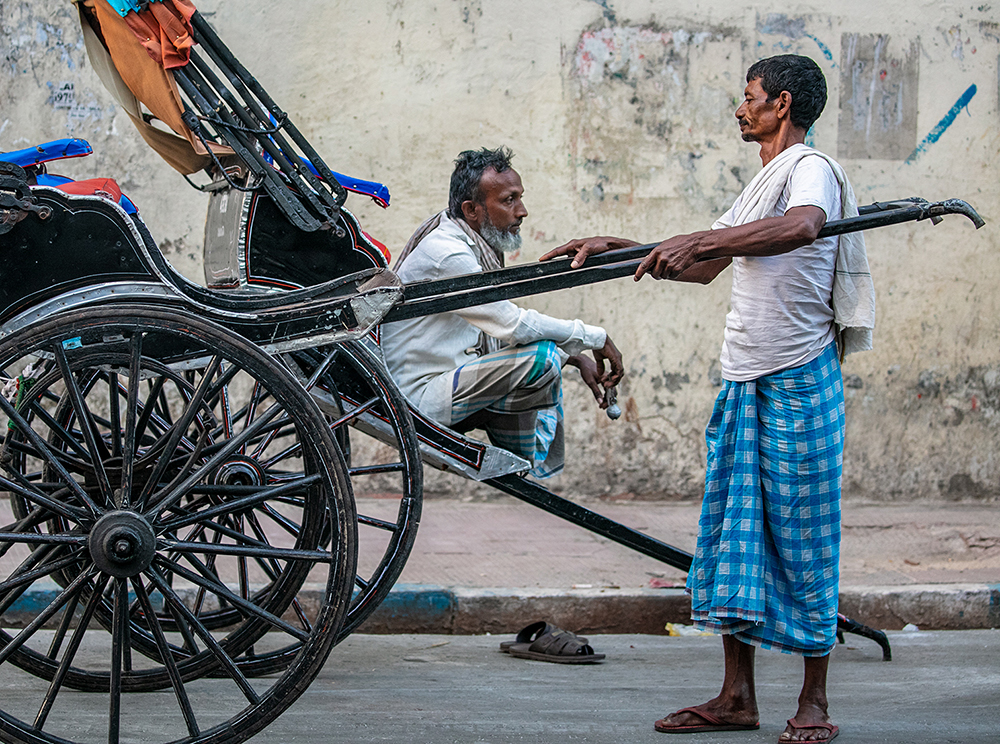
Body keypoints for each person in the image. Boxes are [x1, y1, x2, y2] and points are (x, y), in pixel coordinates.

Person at [541, 55, 875, 742]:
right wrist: (621, 247)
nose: (739, 109)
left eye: (749, 98)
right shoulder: (760, 184)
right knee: (733, 535)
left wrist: (700, 237)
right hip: (745, 377)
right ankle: (736, 697)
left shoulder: (809, 169)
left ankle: (813, 702)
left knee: (804, 537)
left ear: (781, 104)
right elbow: (705, 266)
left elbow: (804, 227)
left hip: (799, 377)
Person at [381, 146, 624, 478]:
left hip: (446, 378)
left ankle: (520, 455)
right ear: (472, 209)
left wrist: (575, 355)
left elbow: (500, 320)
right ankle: (521, 454)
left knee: (549, 354)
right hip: (417, 395)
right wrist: (593, 338)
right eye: (508, 200)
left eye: (519, 198)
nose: (521, 211)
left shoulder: (469, 242)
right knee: (542, 358)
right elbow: (510, 324)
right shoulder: (448, 252)